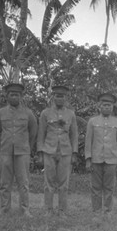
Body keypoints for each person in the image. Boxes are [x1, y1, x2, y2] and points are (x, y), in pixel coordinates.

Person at [0, 83, 38, 217]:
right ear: (7, 96)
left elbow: (33, 132)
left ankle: (25, 209)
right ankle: (4, 208)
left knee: (23, 182)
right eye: (11, 94)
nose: (14, 97)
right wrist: (2, 143)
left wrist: (27, 145)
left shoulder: (28, 113)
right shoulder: (1, 113)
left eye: (17, 95)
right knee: (5, 182)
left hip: (22, 151)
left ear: (21, 97)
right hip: (6, 150)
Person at [37, 85, 78, 217]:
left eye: (63, 96)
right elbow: (41, 133)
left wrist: (75, 153)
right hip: (49, 150)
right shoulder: (45, 113)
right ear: (53, 97)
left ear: (66, 98)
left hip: (65, 151)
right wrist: (40, 152)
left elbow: (74, 135)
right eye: (57, 96)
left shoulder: (71, 114)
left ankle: (62, 210)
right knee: (48, 182)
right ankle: (48, 210)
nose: (60, 98)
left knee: (63, 183)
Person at [85, 92, 117, 215]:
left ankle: (108, 211)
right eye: (104, 105)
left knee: (109, 187)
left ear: (113, 107)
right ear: (99, 106)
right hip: (96, 159)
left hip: (111, 160)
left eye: (109, 105)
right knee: (95, 187)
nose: (107, 107)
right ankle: (96, 211)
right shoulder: (92, 121)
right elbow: (88, 141)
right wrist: (88, 159)